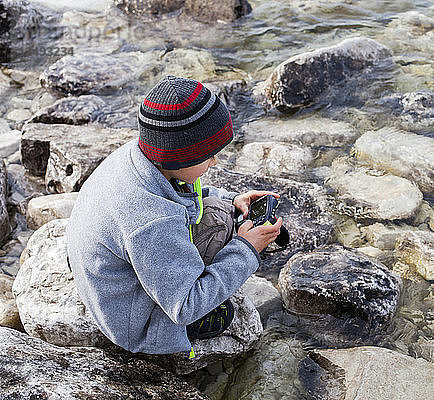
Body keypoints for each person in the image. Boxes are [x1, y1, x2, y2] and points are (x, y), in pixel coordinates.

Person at [66, 75, 283, 357]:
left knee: (219, 211)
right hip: (133, 321)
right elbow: (186, 306)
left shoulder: (141, 153)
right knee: (223, 311)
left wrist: (230, 199)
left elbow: (181, 187)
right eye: (208, 156)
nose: (215, 161)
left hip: (102, 274)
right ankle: (160, 334)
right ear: (176, 158)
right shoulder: (152, 222)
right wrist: (246, 250)